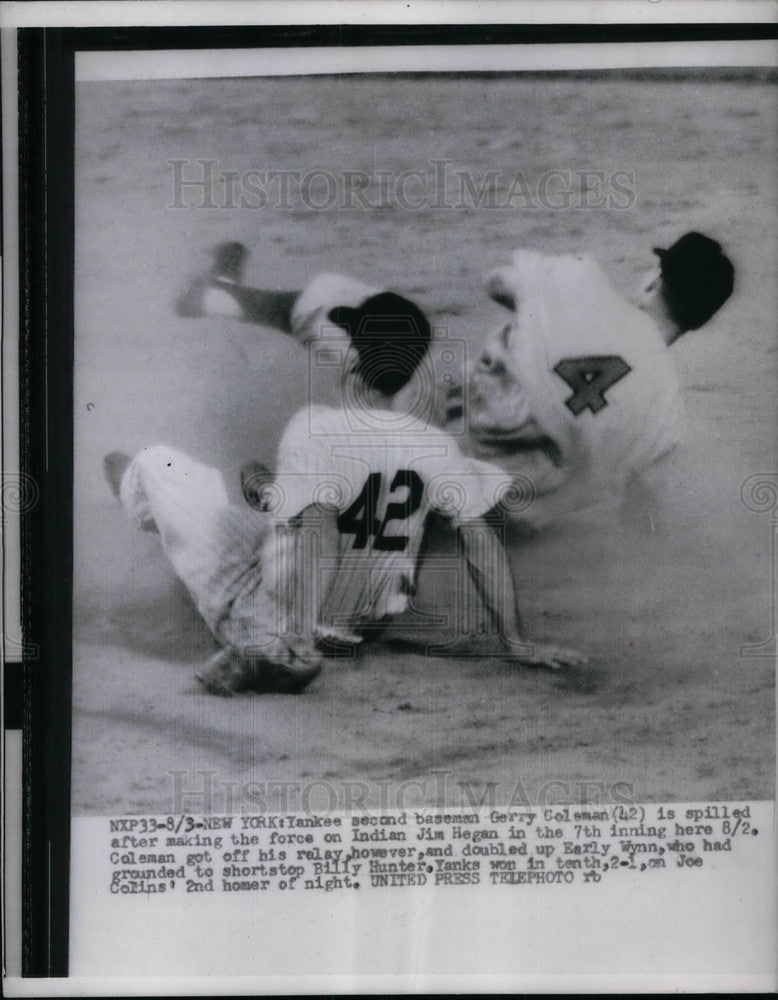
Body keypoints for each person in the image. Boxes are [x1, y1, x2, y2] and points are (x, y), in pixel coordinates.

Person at [107, 293, 586, 696]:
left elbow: (313, 528)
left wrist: (292, 638)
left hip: (278, 614)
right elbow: (479, 540)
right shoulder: (433, 444)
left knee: (153, 465)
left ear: (356, 359)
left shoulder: (313, 427)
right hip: (364, 626)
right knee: (267, 505)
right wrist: (516, 642)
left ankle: (267, 648)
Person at [175, 232, 735, 527]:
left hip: (417, 457)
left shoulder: (582, 282)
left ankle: (221, 296)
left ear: (653, 277)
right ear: (700, 319)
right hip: (484, 531)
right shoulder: (668, 418)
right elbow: (643, 523)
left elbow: (496, 281)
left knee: (387, 319)